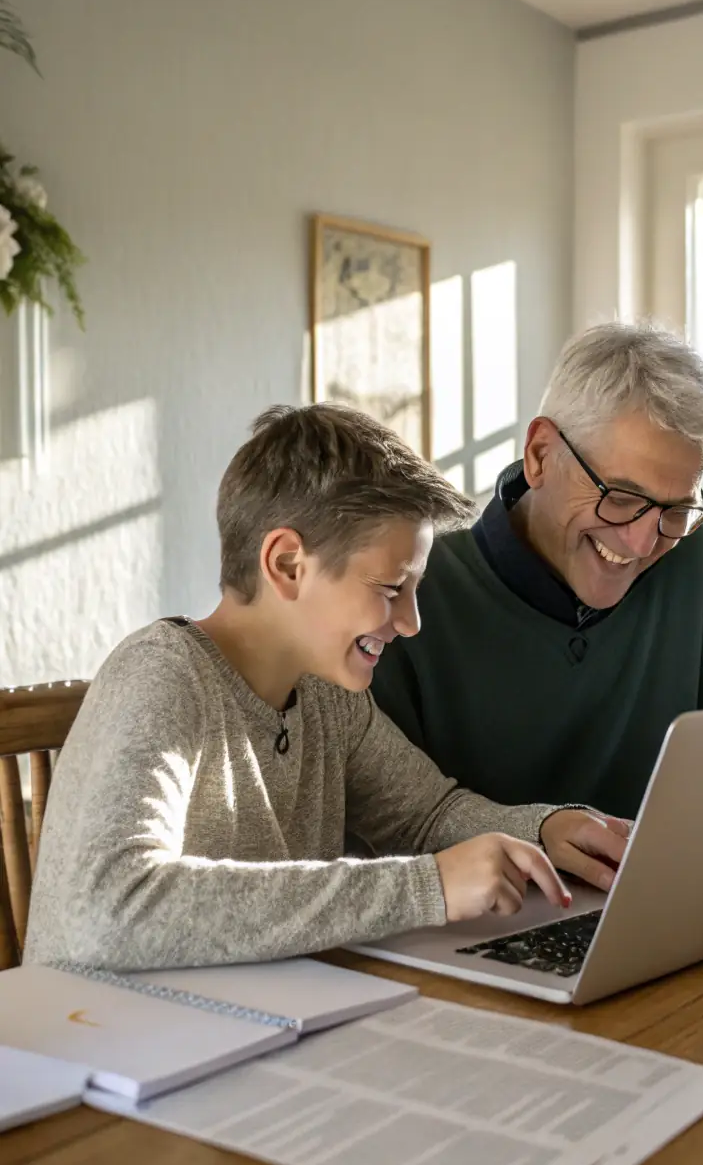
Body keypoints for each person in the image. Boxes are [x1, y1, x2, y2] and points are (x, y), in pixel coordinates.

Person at [25, 405, 628, 971]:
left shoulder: (327, 696)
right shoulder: (161, 675)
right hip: (102, 1050)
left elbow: (425, 815)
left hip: (247, 1029)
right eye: (392, 589)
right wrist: (428, 887)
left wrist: (544, 828)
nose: (411, 623)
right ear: (288, 565)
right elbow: (111, 908)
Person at [373, 321, 703, 823]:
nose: (644, 542)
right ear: (540, 456)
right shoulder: (411, 590)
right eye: (621, 498)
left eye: (675, 510)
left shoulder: (700, 562)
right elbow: (386, 832)